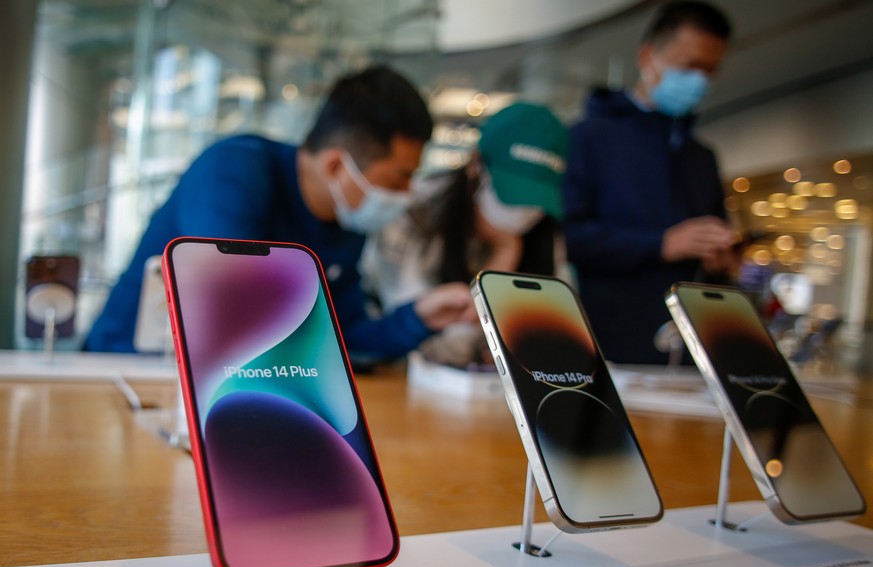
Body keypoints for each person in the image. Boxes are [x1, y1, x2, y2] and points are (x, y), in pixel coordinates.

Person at [85, 65, 475, 362]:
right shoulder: (234, 172)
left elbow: (347, 340)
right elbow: (237, 313)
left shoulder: (346, 223)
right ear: (337, 166)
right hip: (125, 370)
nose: (407, 194)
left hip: (228, 390)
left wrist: (420, 317)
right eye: (399, 178)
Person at [562, 1, 736, 365]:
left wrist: (721, 260)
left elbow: (715, 252)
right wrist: (660, 244)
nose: (699, 81)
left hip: (688, 347)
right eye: (690, 66)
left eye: (710, 71)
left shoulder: (702, 156)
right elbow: (571, 238)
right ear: (648, 56)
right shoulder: (588, 138)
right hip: (610, 346)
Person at [360, 102, 569, 367]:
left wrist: (507, 249)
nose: (524, 210)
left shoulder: (545, 228)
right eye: (511, 194)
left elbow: (559, 338)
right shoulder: (414, 212)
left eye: (535, 199)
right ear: (476, 165)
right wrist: (504, 254)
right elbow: (432, 347)